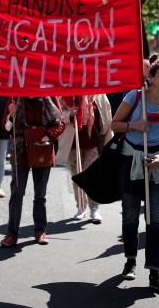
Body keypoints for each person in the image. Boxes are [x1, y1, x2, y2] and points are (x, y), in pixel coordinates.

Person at [110, 59, 159, 292]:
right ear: (151, 76)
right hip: (131, 161)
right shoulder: (135, 97)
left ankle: (155, 273)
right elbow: (115, 124)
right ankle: (130, 260)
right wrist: (134, 125)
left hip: (157, 165)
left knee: (155, 220)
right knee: (130, 217)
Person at [0, 96, 65, 247]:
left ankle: (40, 231)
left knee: (40, 195)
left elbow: (60, 123)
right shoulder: (14, 97)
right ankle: (11, 234)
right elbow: (5, 126)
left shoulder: (50, 96)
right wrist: (11, 115)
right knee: (17, 193)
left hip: (42, 149)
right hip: (21, 151)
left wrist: (47, 136)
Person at [56, 94, 113, 223]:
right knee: (77, 176)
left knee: (94, 176)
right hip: (72, 143)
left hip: (92, 141)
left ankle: (94, 208)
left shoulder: (99, 95)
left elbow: (107, 118)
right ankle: (81, 207)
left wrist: (109, 141)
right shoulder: (65, 95)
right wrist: (69, 115)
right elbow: (56, 114)